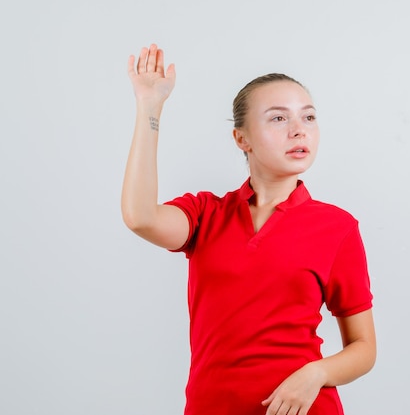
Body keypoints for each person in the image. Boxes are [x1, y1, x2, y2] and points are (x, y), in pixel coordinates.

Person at [122, 44, 376, 415]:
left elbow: (364, 347)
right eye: (278, 119)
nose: (298, 131)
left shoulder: (337, 227)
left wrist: (316, 373)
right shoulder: (206, 214)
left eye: (308, 118)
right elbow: (140, 217)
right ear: (242, 139)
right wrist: (150, 106)